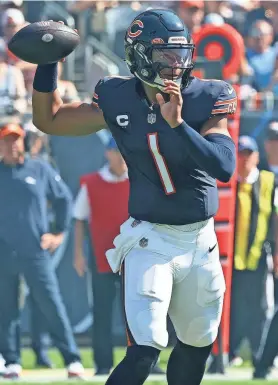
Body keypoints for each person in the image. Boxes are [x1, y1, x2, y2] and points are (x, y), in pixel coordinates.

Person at [32, 8, 237, 385]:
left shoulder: (208, 95)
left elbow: (224, 166)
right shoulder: (116, 97)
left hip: (199, 242)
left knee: (195, 349)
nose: (176, 65)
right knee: (146, 348)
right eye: (165, 56)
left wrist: (177, 125)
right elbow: (50, 120)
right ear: (139, 55)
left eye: (181, 54)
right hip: (149, 238)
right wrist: (48, 66)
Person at [73, 136, 164, 375]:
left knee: (139, 312)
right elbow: (79, 219)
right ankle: (102, 363)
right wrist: (78, 255)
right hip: (103, 257)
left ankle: (144, 362)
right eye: (117, 152)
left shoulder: (139, 181)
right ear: (108, 154)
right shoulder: (91, 183)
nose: (122, 157)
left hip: (136, 257)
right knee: (101, 311)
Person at [0, 122, 84, 379]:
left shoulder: (39, 169)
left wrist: (58, 233)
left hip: (36, 251)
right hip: (3, 253)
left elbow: (63, 200)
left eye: (15, 139)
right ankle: (12, 360)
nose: (11, 144)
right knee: (6, 309)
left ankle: (72, 360)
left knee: (51, 304)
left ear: (23, 141)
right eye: (6, 140)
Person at [229, 136, 277, 368]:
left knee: (261, 307)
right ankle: (231, 352)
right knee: (232, 306)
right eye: (240, 154)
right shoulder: (229, 182)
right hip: (231, 260)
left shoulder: (270, 181)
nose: (244, 159)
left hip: (260, 257)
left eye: (248, 154)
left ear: (257, 157)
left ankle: (260, 355)